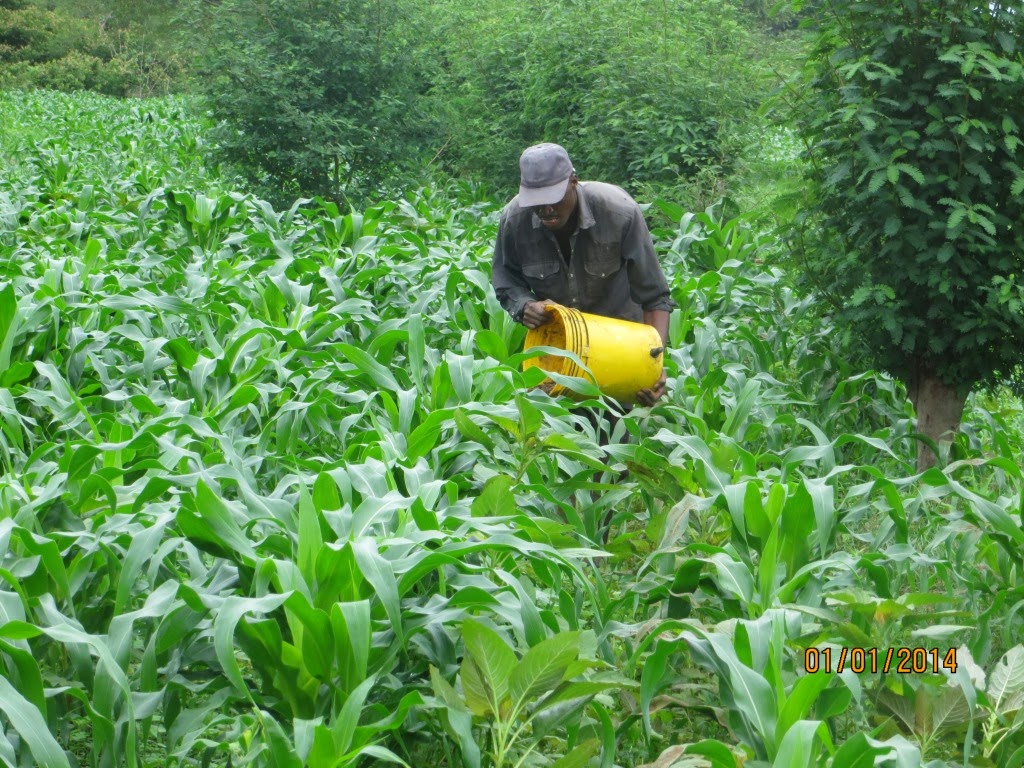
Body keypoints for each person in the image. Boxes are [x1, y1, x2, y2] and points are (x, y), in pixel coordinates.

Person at [491, 142, 675, 406]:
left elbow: (655, 296)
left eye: (553, 198)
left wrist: (654, 364)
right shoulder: (515, 220)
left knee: (613, 440)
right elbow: (505, 278)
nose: (545, 209)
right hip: (557, 354)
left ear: (573, 182)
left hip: (619, 350)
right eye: (536, 202)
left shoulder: (619, 212)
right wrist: (525, 305)